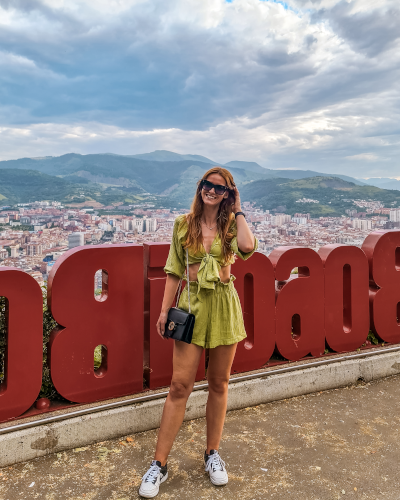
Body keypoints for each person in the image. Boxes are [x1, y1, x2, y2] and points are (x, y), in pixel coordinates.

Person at [139, 167, 258, 498]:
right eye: (207, 185)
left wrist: (238, 209)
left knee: (219, 383)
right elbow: (173, 272)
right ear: (200, 187)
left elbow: (248, 247)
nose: (211, 190)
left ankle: (212, 454)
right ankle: (158, 464)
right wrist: (164, 310)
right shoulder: (183, 224)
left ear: (227, 194)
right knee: (179, 385)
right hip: (191, 309)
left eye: (219, 188)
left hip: (224, 308)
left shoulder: (232, 224)